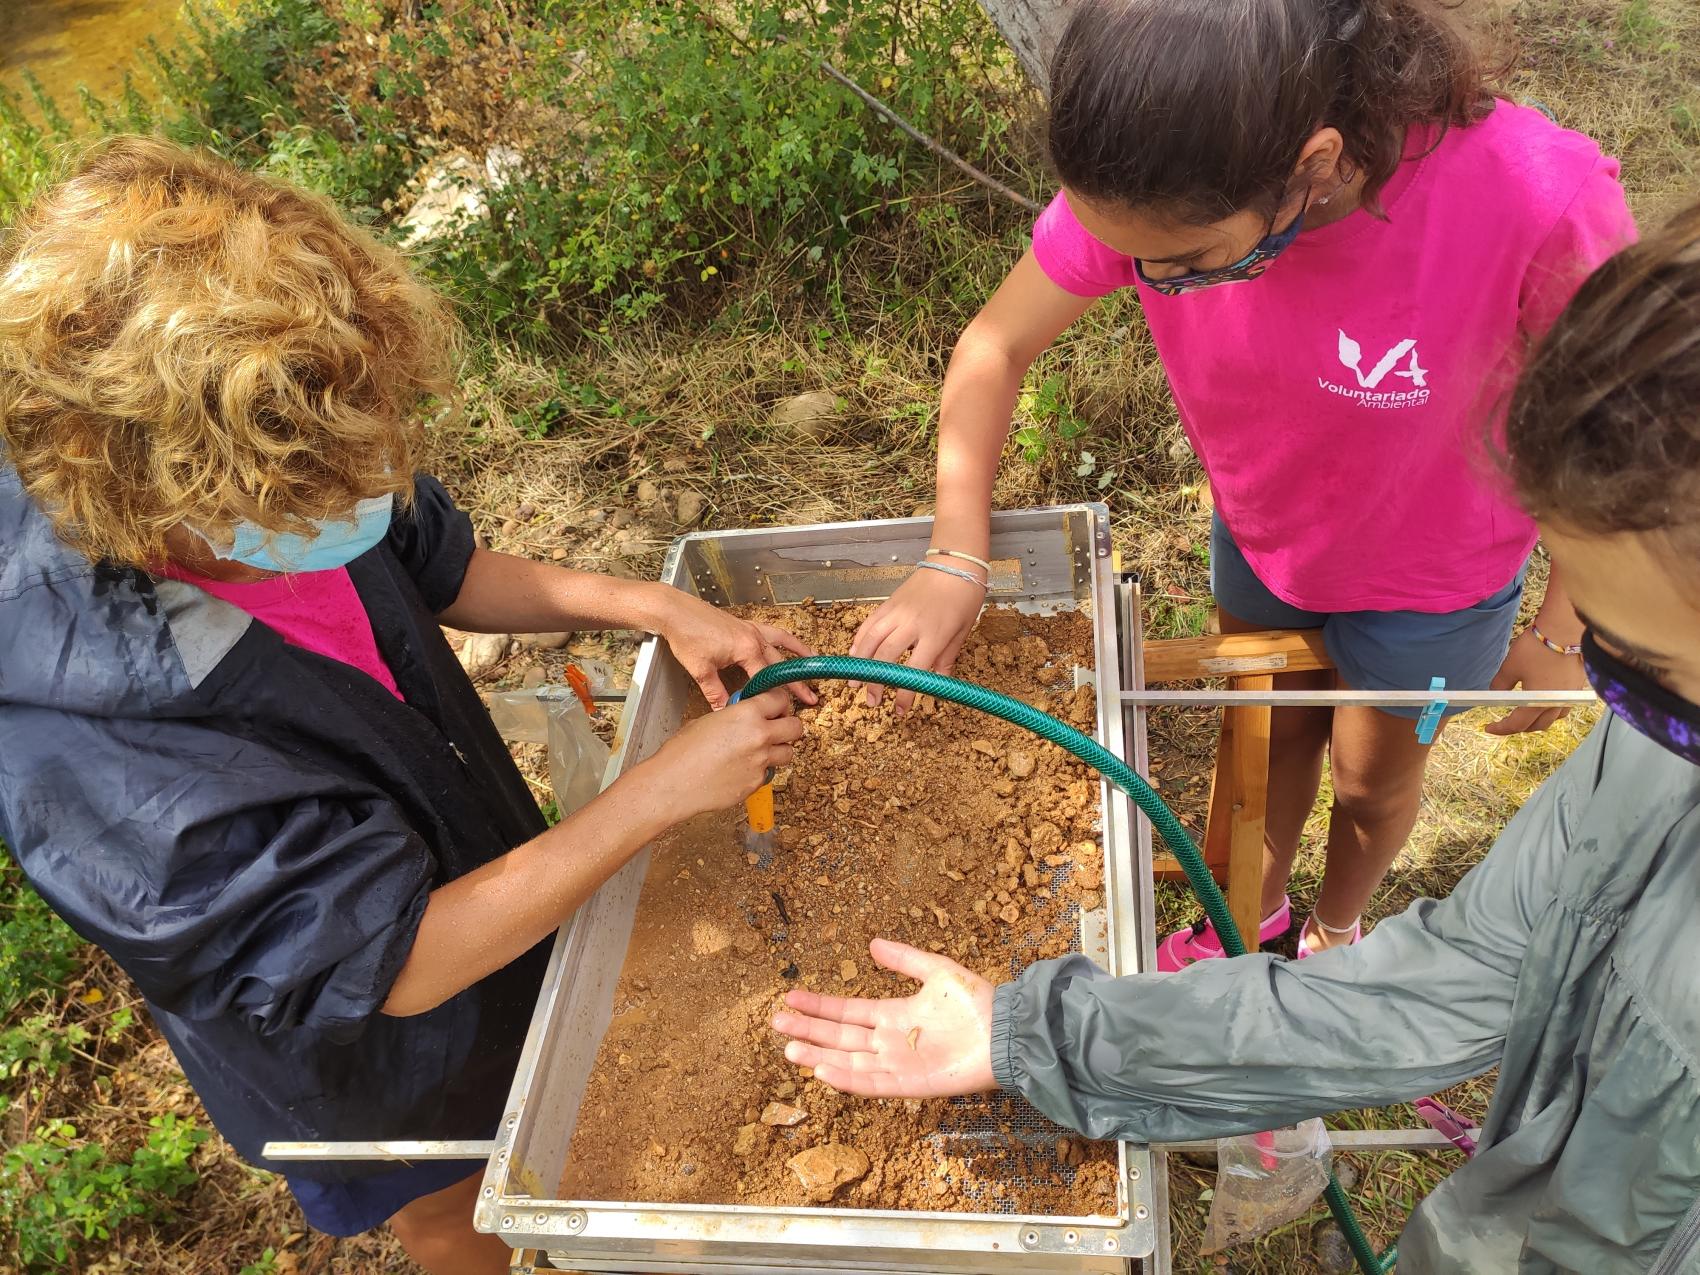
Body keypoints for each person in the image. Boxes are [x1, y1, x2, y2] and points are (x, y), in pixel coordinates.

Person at [775, 202, 1700, 1272]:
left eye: (1650, 673)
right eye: (1608, 652)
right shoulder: (1651, 761)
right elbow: (1458, 974)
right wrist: (1036, 1037)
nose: (1608, 696)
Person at [0, 137, 813, 1275]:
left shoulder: (286, 455)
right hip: (353, 1056)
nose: (366, 497)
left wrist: (644, 606)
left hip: (459, 870)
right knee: (449, 1193)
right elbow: (391, 965)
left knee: (516, 1096)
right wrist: (652, 796)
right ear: (164, 490)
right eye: (327, 489)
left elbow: (435, 563)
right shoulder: (96, 756)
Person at [849, 0, 1636, 966]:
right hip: (1267, 535)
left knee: (1370, 779)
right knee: (1262, 741)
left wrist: (1569, 630)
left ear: (1313, 163)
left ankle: (1336, 930)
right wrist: (955, 555)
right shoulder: (1162, 171)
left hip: (1438, 578)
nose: (1140, 275)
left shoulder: (1535, 197)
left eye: (1180, 267)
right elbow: (994, 343)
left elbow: (1622, 425)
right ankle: (1246, 921)